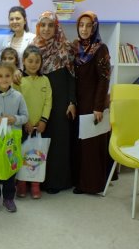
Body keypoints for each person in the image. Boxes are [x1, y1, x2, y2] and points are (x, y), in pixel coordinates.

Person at [32, 11, 77, 194]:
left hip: (60, 100)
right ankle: (36, 180)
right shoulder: (33, 47)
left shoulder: (65, 47)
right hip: (39, 98)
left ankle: (57, 181)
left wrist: (72, 101)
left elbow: (72, 76)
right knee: (39, 138)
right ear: (38, 27)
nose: (46, 29)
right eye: (43, 25)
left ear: (56, 27)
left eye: (50, 25)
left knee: (58, 141)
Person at [73, 11, 111, 195]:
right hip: (78, 101)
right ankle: (79, 180)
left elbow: (104, 79)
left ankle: (91, 184)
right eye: (81, 25)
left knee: (91, 144)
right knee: (80, 143)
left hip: (93, 102)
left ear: (94, 27)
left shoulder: (100, 48)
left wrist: (98, 106)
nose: (84, 29)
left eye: (89, 25)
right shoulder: (75, 47)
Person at [0, 62, 28, 213]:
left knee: (11, 168)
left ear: (12, 77)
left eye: (7, 76)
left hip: (11, 141)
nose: (4, 79)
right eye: (0, 76)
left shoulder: (18, 96)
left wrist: (14, 119)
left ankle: (9, 197)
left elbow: (25, 116)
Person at [17, 46, 52, 199]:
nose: (33, 64)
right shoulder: (18, 81)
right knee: (22, 156)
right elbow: (16, 103)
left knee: (36, 156)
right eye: (30, 61)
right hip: (24, 125)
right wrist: (25, 122)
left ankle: (35, 184)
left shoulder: (45, 80)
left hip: (40, 126)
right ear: (23, 61)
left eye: (37, 61)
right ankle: (22, 183)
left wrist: (43, 120)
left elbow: (48, 102)